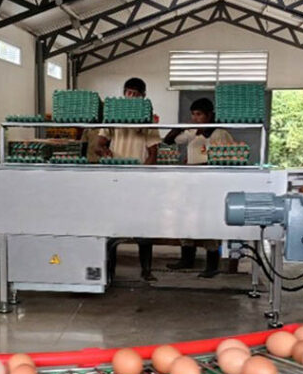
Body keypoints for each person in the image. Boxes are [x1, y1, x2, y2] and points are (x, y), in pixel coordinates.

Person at [95, 78, 162, 281]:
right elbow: (99, 144)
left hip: (139, 180)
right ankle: (110, 271)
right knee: (112, 226)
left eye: (135, 94)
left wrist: (143, 176)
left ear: (143, 96)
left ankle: (146, 269)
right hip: (115, 178)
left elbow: (153, 153)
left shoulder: (147, 121)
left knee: (143, 226)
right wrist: (105, 151)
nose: (131, 97)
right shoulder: (112, 118)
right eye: (128, 92)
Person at [163, 97, 233, 277]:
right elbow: (169, 141)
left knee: (208, 221)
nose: (195, 118)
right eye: (193, 115)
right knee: (186, 218)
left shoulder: (220, 133)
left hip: (209, 184)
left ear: (210, 115)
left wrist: (200, 166)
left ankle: (212, 265)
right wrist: (181, 127)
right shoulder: (192, 132)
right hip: (190, 183)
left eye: (199, 114)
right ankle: (187, 258)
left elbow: (227, 159)